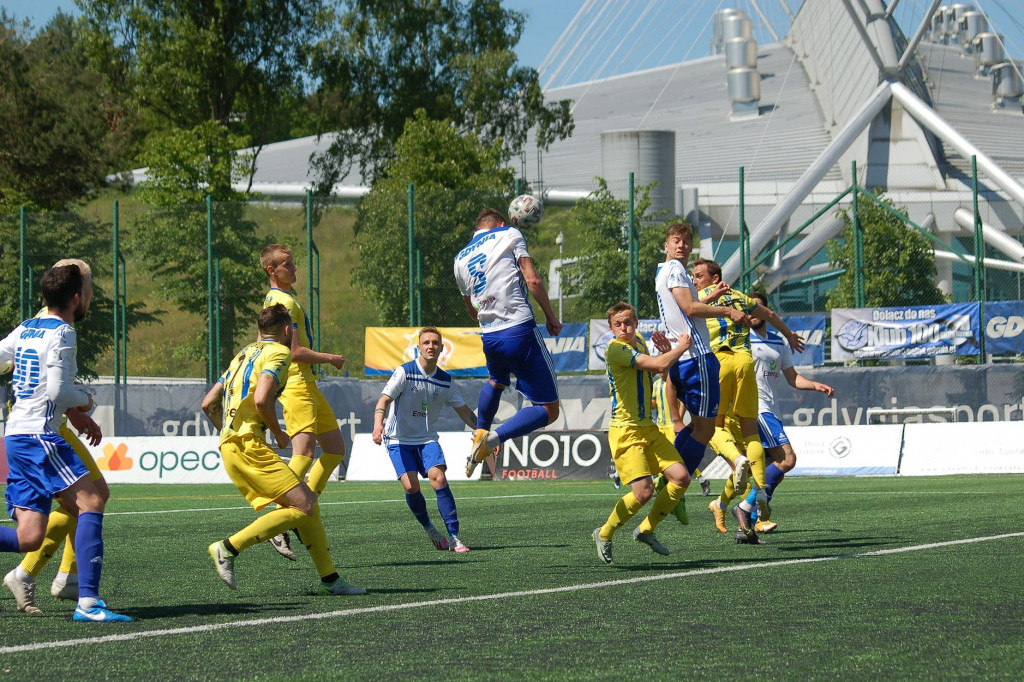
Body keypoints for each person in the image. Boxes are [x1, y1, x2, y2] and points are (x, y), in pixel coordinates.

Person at [201, 304, 365, 596]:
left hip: (231, 445)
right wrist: (278, 433)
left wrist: (227, 433)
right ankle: (227, 548)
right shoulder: (279, 352)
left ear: (260, 330)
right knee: (302, 506)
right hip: (249, 445)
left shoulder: (242, 354)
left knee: (306, 503)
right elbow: (263, 398)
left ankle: (330, 579)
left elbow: (208, 403)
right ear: (288, 330)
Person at [0, 263, 131, 622]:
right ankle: (88, 603)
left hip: (15, 436)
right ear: (76, 297)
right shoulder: (63, 333)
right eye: (88, 291)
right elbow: (59, 390)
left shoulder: (26, 327)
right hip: (41, 435)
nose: (88, 296)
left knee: (29, 537)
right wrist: (86, 400)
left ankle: (55, 581)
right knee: (91, 501)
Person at [691, 258, 803, 543]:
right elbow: (769, 312)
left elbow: (687, 310)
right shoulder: (739, 297)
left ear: (714, 278)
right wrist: (789, 334)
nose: (694, 281)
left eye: (699, 275)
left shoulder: (700, 297)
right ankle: (759, 493)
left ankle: (737, 467)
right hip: (744, 363)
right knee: (750, 429)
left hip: (719, 363)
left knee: (712, 427)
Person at [453, 208, 561, 476]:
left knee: (496, 381)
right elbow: (532, 279)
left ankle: (480, 431)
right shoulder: (510, 233)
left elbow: (472, 311)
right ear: (501, 223)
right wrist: (550, 316)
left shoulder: (459, 260)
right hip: (519, 329)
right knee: (549, 409)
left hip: (490, 335)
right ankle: (493, 438)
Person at [261, 244, 348, 560]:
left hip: (307, 384)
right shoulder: (282, 301)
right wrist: (330, 358)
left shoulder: (278, 299)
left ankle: (303, 500)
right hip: (298, 384)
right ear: (271, 270)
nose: (294, 269)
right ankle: (282, 515)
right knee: (305, 453)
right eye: (287, 264)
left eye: (293, 263)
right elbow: (294, 352)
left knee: (336, 449)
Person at [593, 302, 693, 564]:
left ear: (636, 323)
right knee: (643, 492)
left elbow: (661, 368)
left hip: (647, 426)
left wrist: (667, 354)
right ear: (611, 328)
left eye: (628, 322)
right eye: (618, 324)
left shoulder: (638, 340)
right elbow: (658, 364)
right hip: (625, 430)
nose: (624, 328)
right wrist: (680, 348)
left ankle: (647, 529)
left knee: (681, 478)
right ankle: (604, 533)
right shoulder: (616, 349)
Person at [654, 223, 749, 493]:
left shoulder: (663, 270)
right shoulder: (674, 270)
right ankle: (674, 490)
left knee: (696, 425)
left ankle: (668, 481)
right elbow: (689, 308)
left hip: (681, 357)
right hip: (696, 358)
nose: (682, 245)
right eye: (676, 240)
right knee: (706, 431)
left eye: (686, 241)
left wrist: (713, 295)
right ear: (666, 245)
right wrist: (727, 312)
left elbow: (683, 306)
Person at [372, 327, 478, 552]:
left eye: (435, 343)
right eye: (426, 342)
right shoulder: (405, 372)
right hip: (399, 440)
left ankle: (454, 537)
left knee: (439, 479)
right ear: (418, 347)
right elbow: (383, 400)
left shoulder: (446, 381)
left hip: (427, 439)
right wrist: (378, 424)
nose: (431, 346)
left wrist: (485, 434)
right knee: (411, 487)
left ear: (441, 349)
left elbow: (466, 412)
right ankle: (430, 528)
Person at [739, 291, 834, 533]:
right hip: (757, 409)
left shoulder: (778, 341)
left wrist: (815, 385)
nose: (753, 312)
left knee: (774, 472)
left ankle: (750, 525)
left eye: (758, 308)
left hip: (773, 409)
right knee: (787, 460)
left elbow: (792, 378)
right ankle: (745, 507)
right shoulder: (741, 340)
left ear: (766, 312)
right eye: (749, 308)